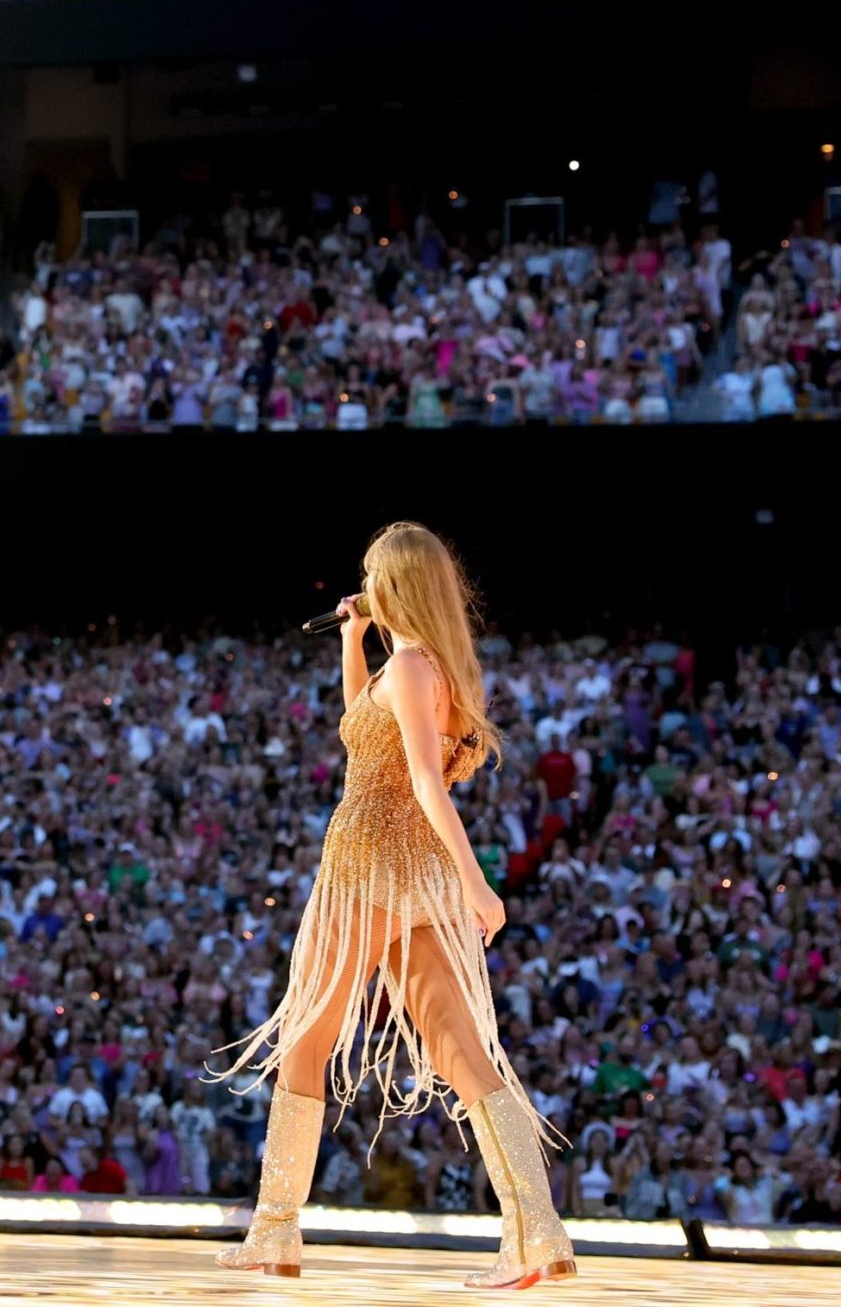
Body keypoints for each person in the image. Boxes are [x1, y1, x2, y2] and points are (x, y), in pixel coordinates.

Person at [212, 522, 576, 1288]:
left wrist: (478, 882)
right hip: (417, 874)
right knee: (459, 1049)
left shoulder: (411, 669)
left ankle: (275, 1230)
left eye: (371, 576)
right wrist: (354, 641)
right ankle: (538, 1234)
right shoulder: (423, 666)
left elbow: (421, 780)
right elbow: (362, 736)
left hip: (370, 861)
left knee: (307, 1037)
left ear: (393, 582)